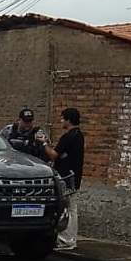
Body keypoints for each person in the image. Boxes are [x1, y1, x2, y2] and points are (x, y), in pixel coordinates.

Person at [43, 107, 85, 251]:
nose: (61, 121)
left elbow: (53, 154)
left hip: (66, 177)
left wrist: (44, 144)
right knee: (72, 209)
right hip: (75, 176)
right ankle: (71, 239)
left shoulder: (68, 137)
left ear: (68, 120)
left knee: (66, 208)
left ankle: (65, 240)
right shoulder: (79, 136)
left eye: (62, 118)